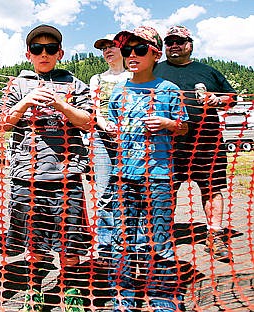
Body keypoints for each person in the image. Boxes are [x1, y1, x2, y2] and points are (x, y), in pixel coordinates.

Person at [0, 24, 92, 312]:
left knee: (71, 242)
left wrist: (63, 106)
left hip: (67, 174)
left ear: (59, 53)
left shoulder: (74, 83)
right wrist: (26, 102)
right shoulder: (17, 84)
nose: (44, 53)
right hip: (27, 176)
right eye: (38, 49)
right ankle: (34, 292)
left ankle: (71, 292)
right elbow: (3, 124)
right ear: (29, 54)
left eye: (50, 49)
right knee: (33, 242)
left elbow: (88, 121)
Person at [106, 26, 189, 311]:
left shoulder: (169, 90)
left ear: (155, 54)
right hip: (123, 176)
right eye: (127, 50)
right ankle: (123, 298)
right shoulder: (119, 92)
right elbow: (114, 126)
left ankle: (163, 297)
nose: (132, 55)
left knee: (160, 238)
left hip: (158, 176)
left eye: (139, 49)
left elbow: (184, 126)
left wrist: (168, 124)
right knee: (122, 239)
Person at [153, 25, 237, 262]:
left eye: (179, 41)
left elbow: (232, 98)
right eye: (169, 42)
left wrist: (217, 99)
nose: (174, 45)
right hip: (168, 145)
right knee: (165, 192)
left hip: (207, 142)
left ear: (190, 44)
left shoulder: (208, 71)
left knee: (212, 188)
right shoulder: (155, 71)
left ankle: (215, 235)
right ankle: (163, 238)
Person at [89, 34, 132, 258]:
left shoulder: (133, 76)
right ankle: (103, 246)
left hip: (130, 139)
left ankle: (127, 241)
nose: (107, 51)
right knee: (105, 192)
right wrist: (106, 126)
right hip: (103, 139)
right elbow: (95, 109)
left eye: (112, 46)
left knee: (129, 190)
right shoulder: (97, 79)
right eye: (103, 48)